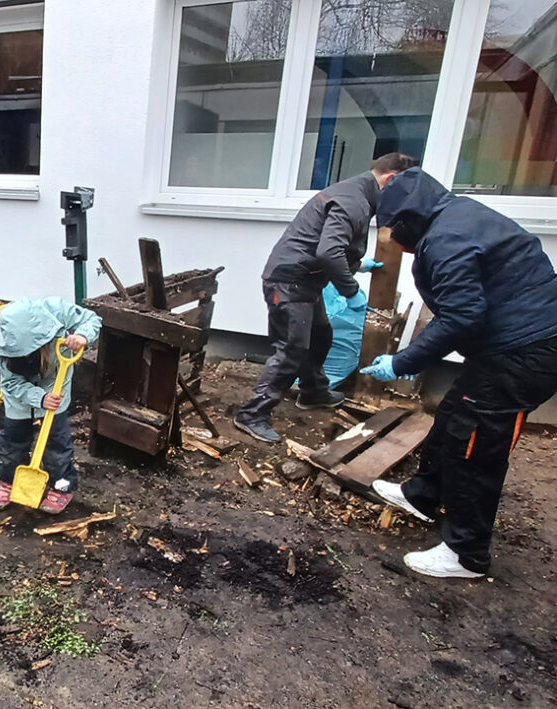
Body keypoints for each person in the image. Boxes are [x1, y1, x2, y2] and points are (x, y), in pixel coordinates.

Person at [361, 167, 557, 579]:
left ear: (409, 220)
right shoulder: (458, 215)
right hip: (509, 348)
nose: (396, 240)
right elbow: (460, 309)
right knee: (452, 414)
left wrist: (402, 362)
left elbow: (462, 316)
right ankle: (423, 494)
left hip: (524, 354)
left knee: (476, 447)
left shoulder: (445, 240)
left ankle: (466, 554)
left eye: (396, 231)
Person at [234, 153, 419, 443]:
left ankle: (312, 391)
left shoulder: (357, 194)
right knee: (291, 351)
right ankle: (251, 414)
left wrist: (358, 265)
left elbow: (326, 244)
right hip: (289, 281)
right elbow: (328, 252)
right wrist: (352, 290)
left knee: (320, 335)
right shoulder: (355, 201)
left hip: (304, 281)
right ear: (391, 179)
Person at [0, 298, 101, 514]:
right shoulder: (3, 350)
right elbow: (11, 383)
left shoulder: (57, 310)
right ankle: (9, 480)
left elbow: (92, 319)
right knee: (13, 441)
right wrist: (39, 398)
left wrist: (82, 335)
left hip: (56, 384)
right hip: (19, 396)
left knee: (57, 443)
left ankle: (62, 486)